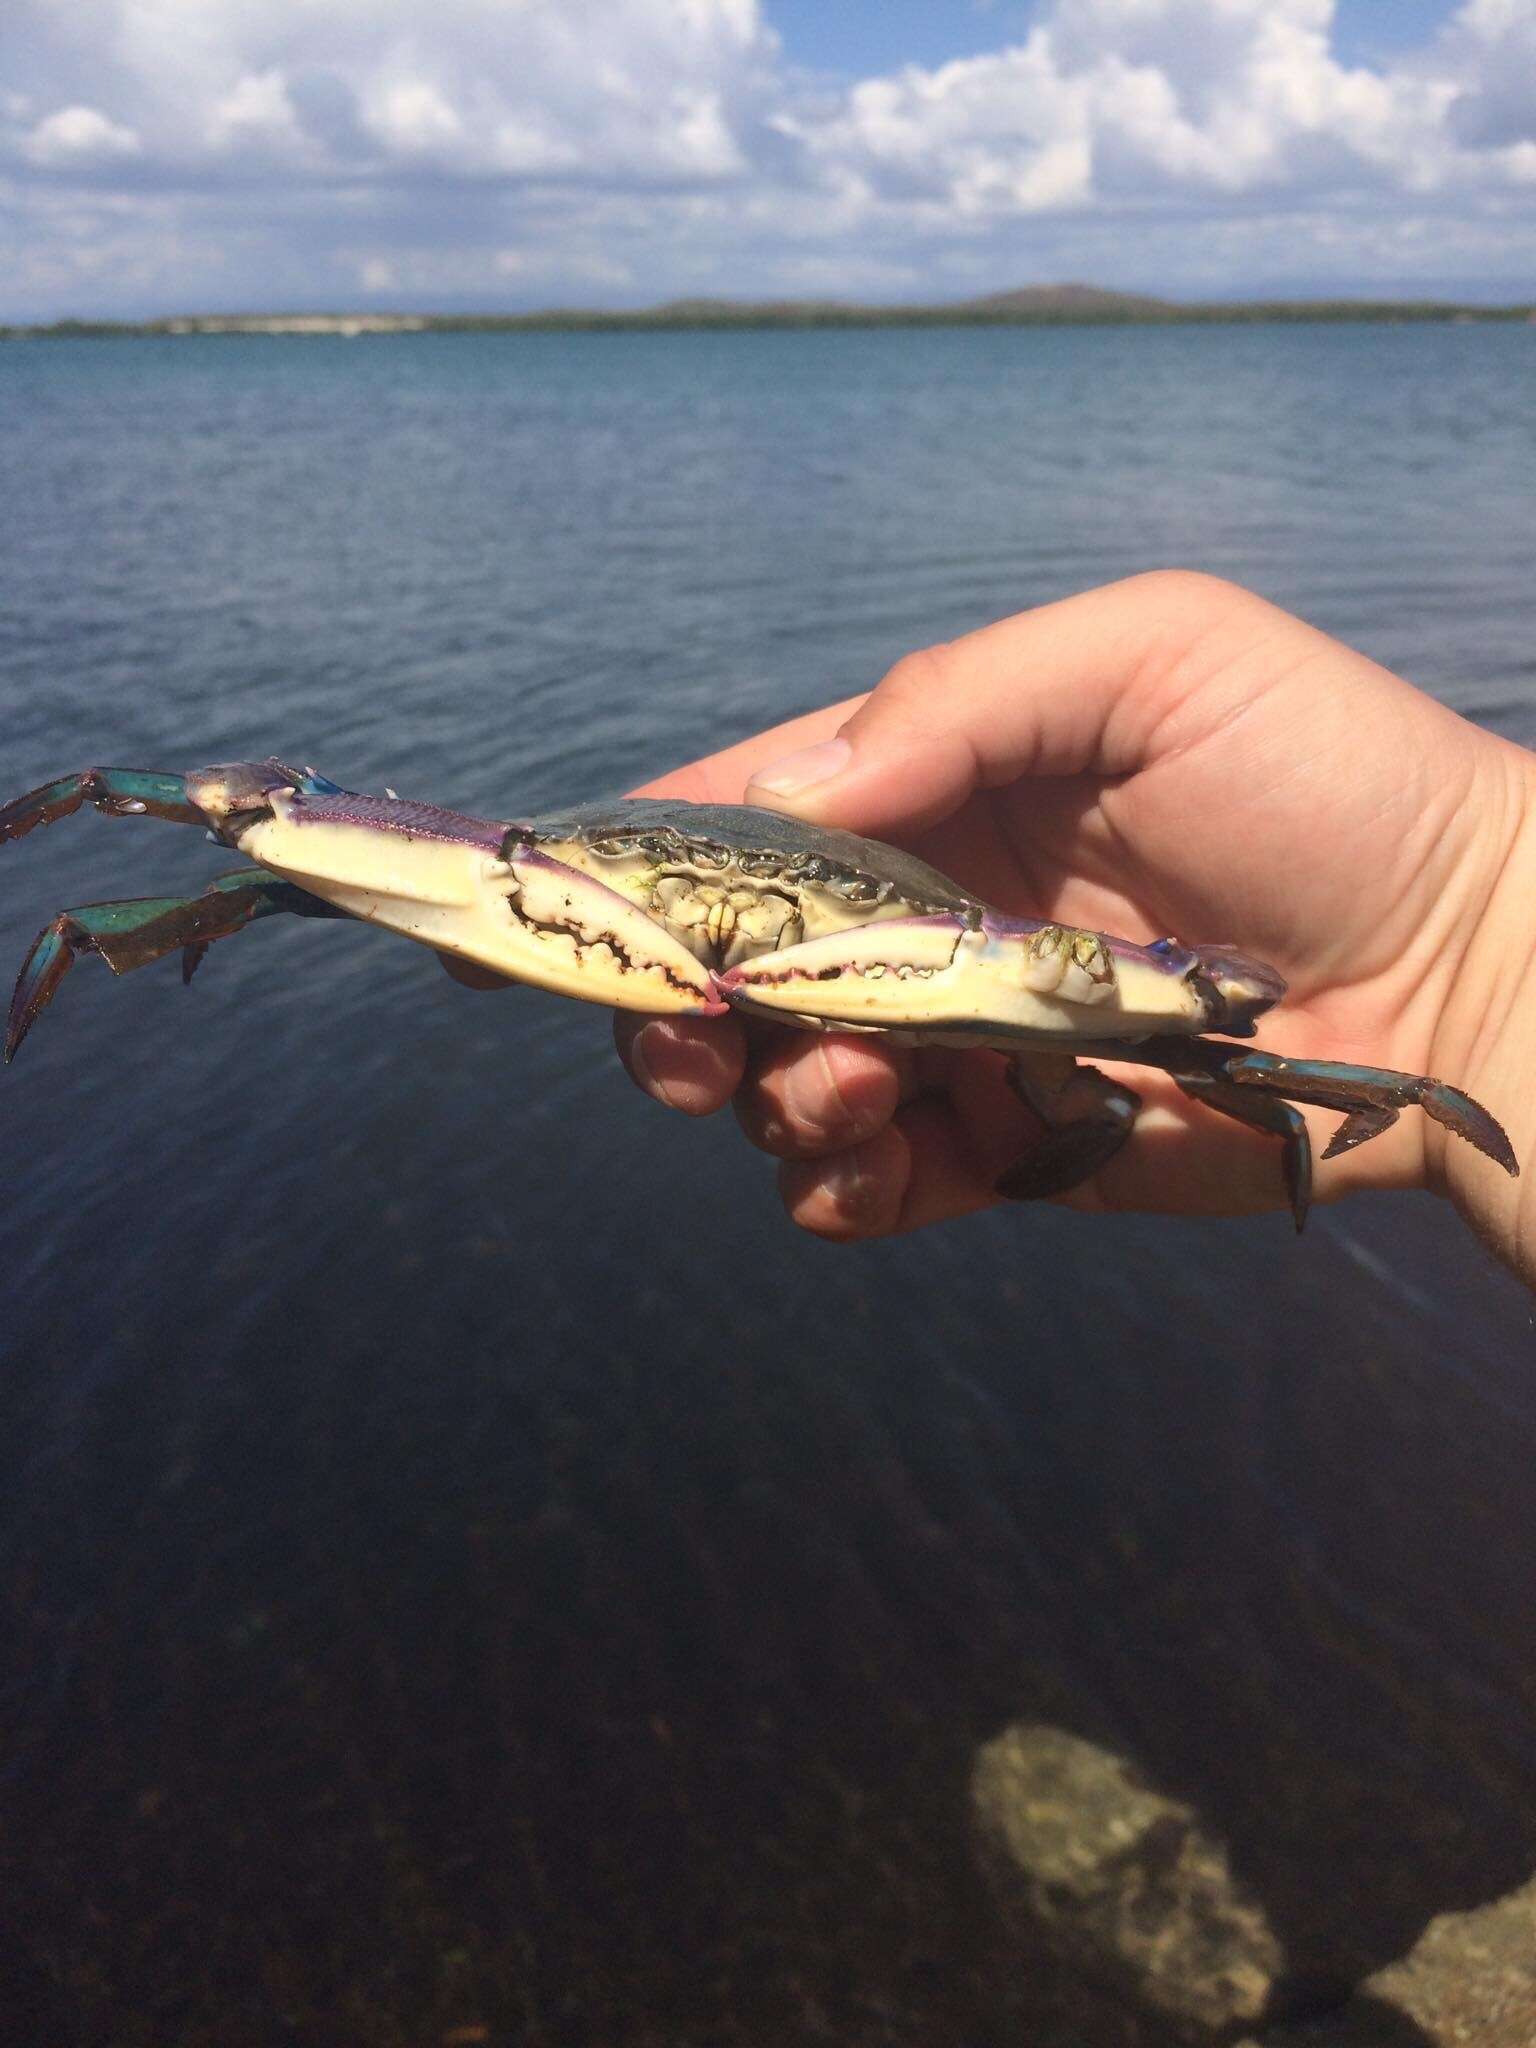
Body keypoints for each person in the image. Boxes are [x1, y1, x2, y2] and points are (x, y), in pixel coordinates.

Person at [455, 574, 1536, 1285]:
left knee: (1233, 1090)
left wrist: (1479, 949)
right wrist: (1480, 950)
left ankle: (1080, 1119)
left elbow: (1270, 1050)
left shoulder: (1031, 958)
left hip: (1017, 1003)